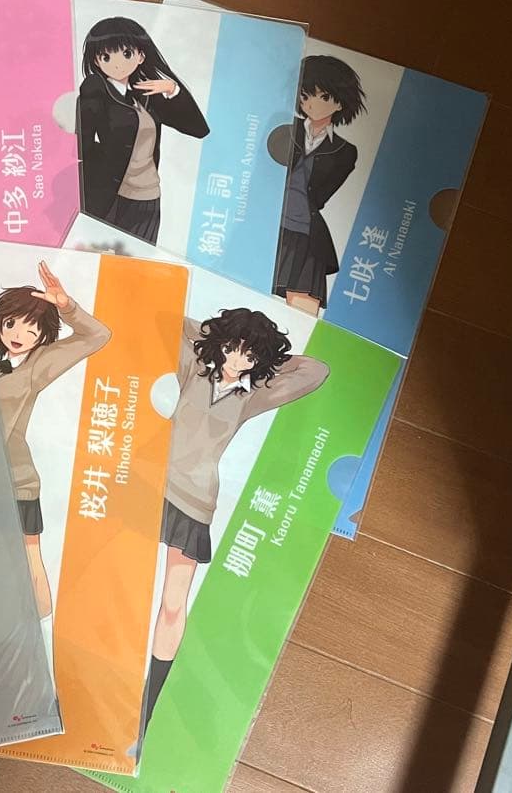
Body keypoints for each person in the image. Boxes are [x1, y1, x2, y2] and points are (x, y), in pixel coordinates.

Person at [141, 309, 328, 736]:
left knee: (173, 604)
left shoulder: (254, 394)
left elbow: (316, 371)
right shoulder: (193, 364)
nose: (236, 359)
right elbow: (169, 315)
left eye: (249, 354)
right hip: (148, 484)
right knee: (118, 581)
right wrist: (217, 333)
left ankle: (146, 710)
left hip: (195, 501)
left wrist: (268, 355)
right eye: (232, 347)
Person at [0, 262, 111, 680]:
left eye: (32, 329)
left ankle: (41, 656)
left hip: (16, 481)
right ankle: (2, 659)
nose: (19, 334)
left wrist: (66, 307)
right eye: (13, 323)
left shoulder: (39, 364)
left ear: (43, 336)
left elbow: (98, 336)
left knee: (30, 564)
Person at [77, 17, 209, 244]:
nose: (117, 64)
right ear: (97, 61)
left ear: (141, 56)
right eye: (106, 57)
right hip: (112, 197)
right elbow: (82, 144)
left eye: (126, 54)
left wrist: (174, 90)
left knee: (137, 260)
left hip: (149, 198)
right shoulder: (96, 91)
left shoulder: (146, 95)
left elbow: (198, 129)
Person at [272, 54, 366, 315]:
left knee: (302, 310)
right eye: (305, 95)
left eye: (323, 97)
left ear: (340, 102)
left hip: (307, 235)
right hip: (269, 226)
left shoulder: (345, 151)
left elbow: (321, 197)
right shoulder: (284, 130)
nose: (311, 104)